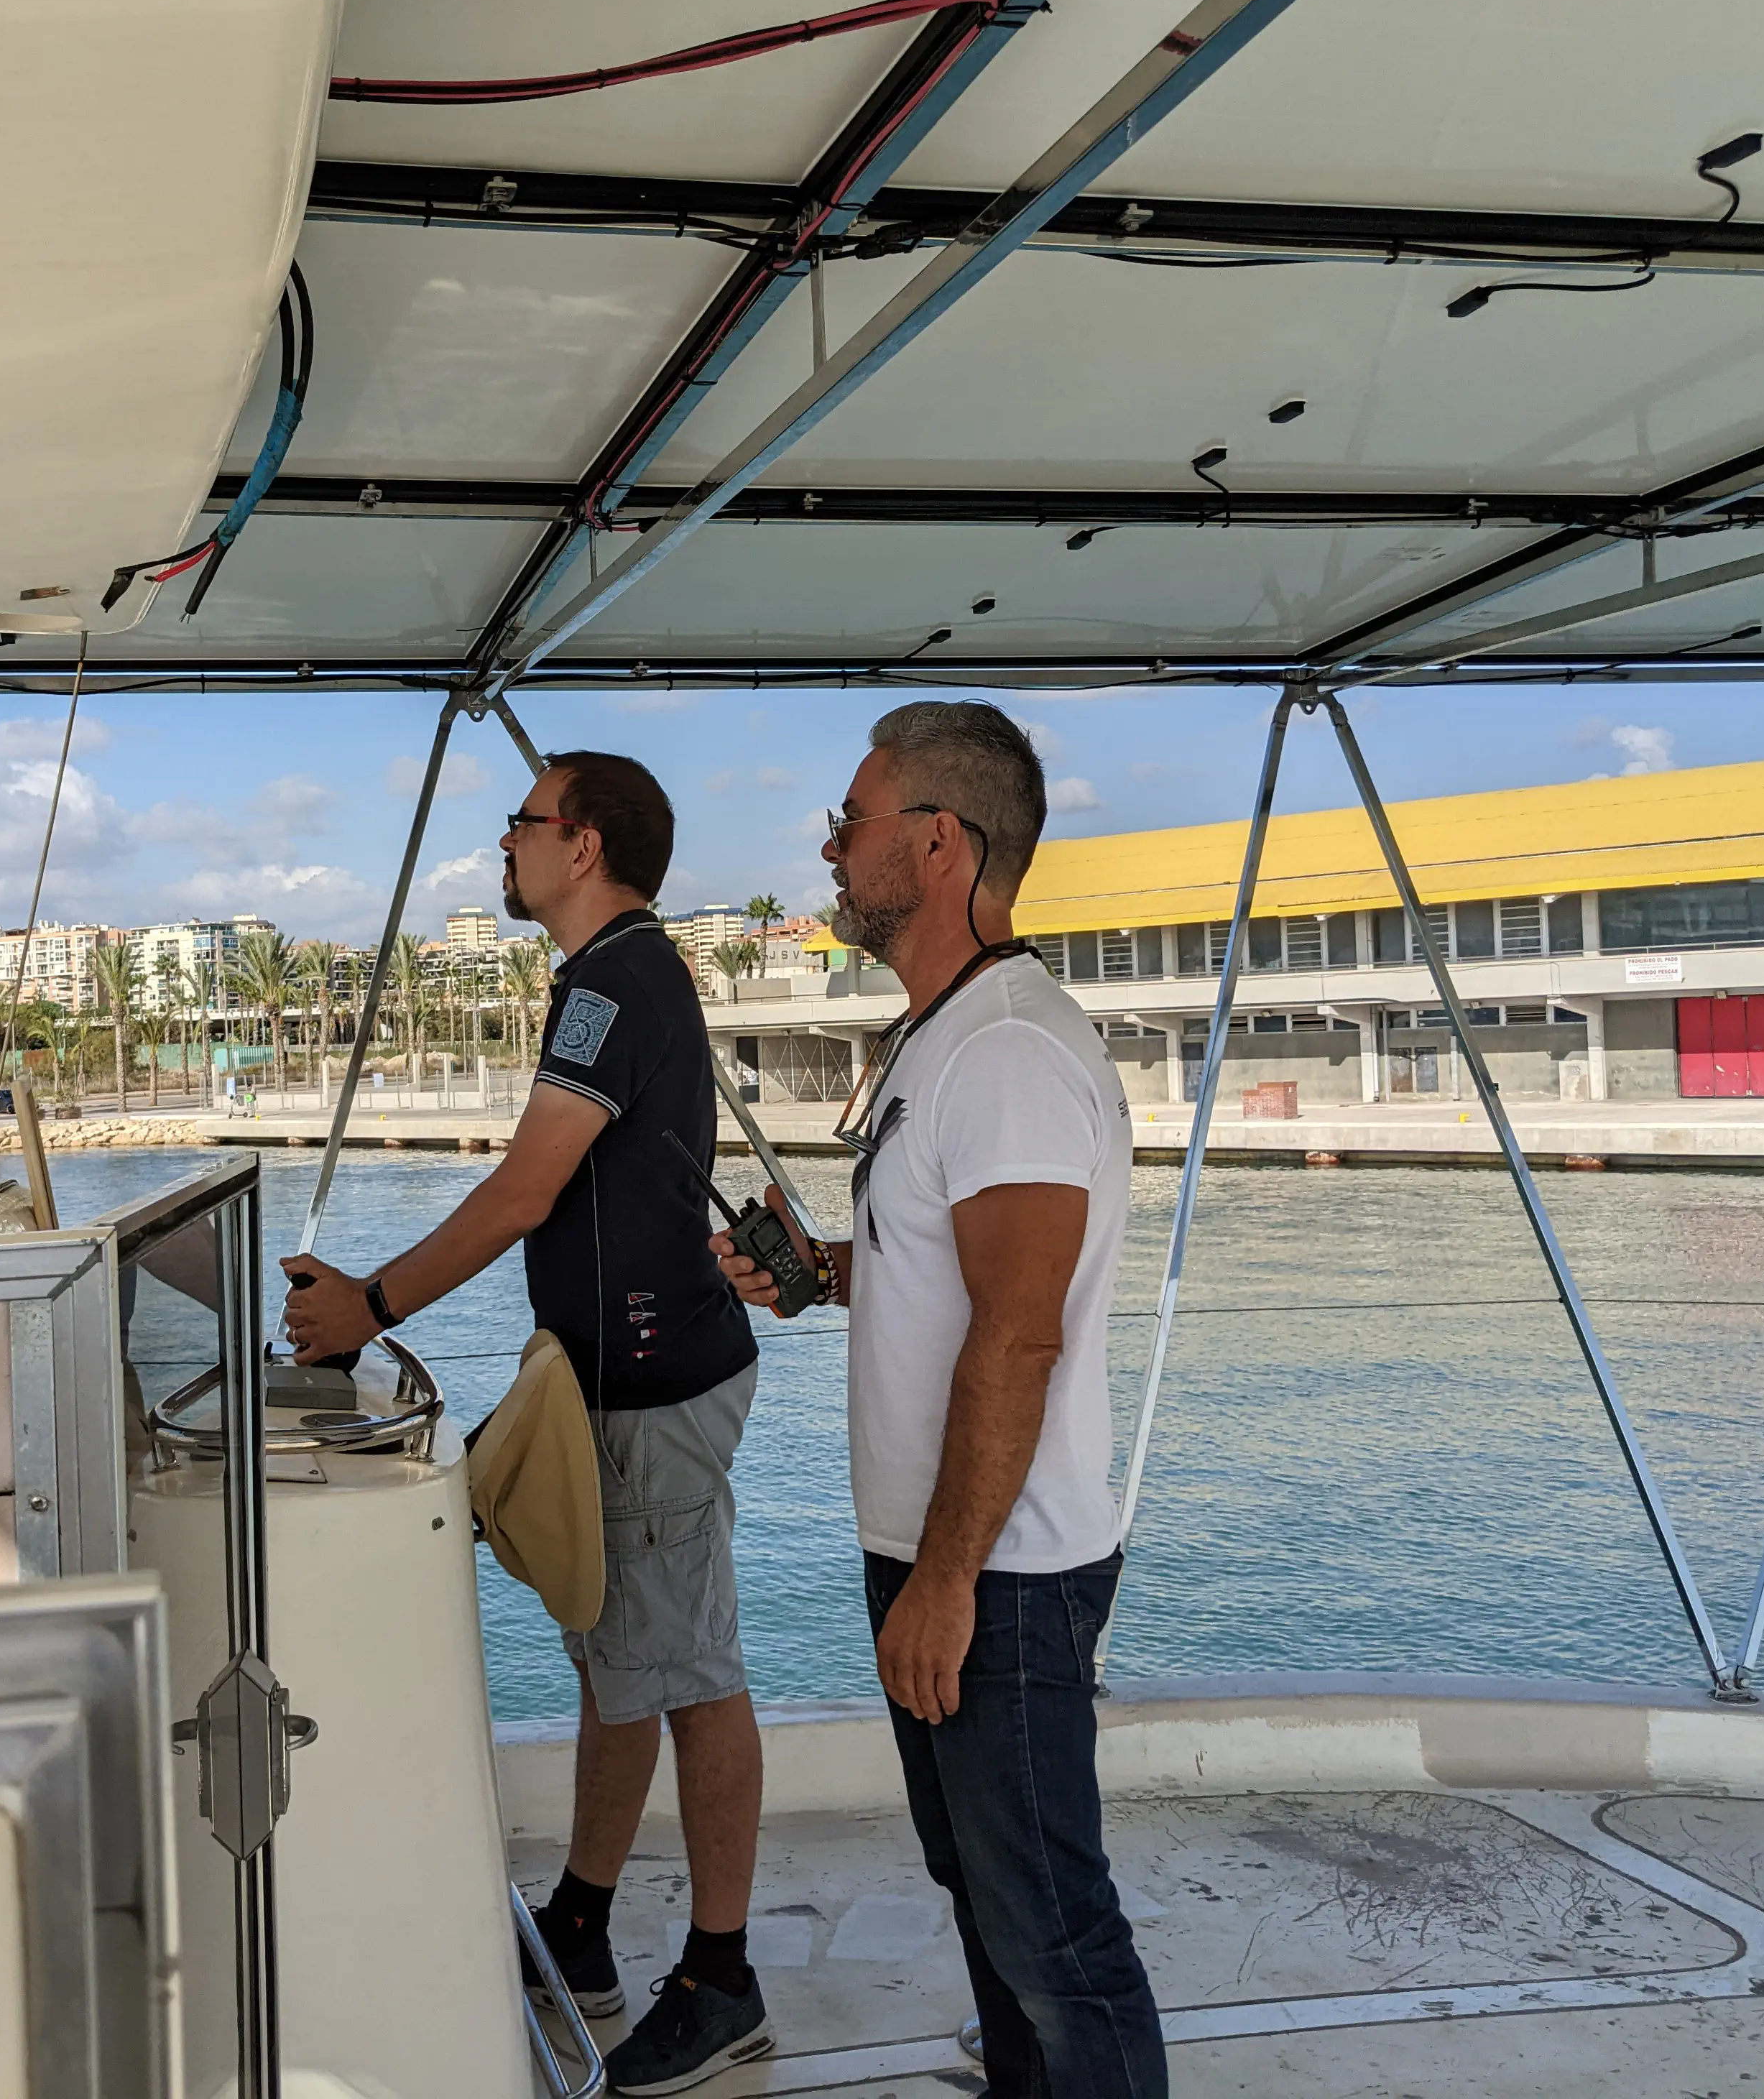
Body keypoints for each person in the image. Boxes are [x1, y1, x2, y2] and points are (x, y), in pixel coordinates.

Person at [281, 749, 772, 2096]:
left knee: (692, 1675)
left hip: (655, 1387)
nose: (505, 846)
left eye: (522, 824)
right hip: (619, 1376)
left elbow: (523, 1191)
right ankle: (585, 1923)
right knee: (625, 1660)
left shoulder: (617, 981)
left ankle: (724, 1977)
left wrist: (368, 1308)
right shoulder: (611, 978)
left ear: (586, 844)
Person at [714, 701, 1166, 2097]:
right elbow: (959, 1273)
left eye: (852, 824)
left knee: (1053, 1931)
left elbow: (1021, 1336)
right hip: (951, 1557)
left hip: (1003, 1572)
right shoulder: (947, 1039)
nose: (834, 850)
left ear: (938, 842)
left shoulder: (1011, 1053)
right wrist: (832, 1272)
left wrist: (951, 1581)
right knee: (989, 1898)